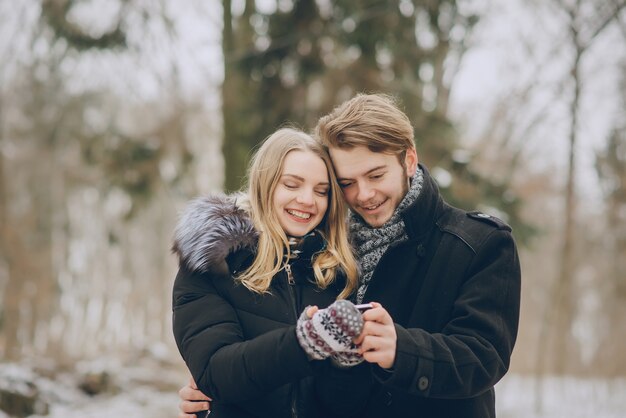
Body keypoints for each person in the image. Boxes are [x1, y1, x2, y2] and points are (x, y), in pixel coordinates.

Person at [178, 94, 521, 418]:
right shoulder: (330, 255)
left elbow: (484, 356)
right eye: (346, 183)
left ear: (409, 160)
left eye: (376, 175)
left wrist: (404, 351)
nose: (365, 194)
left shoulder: (479, 243)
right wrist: (213, 393)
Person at [171, 127, 369, 418]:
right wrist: (305, 343)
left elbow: (344, 405)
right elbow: (216, 373)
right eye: (292, 184)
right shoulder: (212, 263)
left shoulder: (337, 273)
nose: (307, 200)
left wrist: (346, 365)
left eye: (321, 191)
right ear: (266, 185)